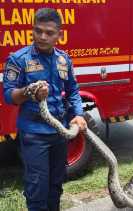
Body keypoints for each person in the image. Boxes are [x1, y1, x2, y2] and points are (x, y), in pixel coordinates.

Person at [3, 8, 87, 211]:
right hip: (34, 135)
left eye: (49, 32)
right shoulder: (19, 59)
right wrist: (29, 92)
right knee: (37, 188)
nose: (42, 37)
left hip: (59, 134)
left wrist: (78, 114)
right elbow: (9, 96)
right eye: (38, 31)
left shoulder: (63, 60)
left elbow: (73, 90)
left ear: (59, 34)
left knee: (56, 184)